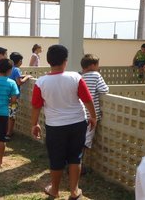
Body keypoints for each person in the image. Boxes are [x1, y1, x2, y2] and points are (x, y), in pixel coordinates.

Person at [31, 44, 97, 199]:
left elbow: (36, 106)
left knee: (56, 158)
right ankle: (74, 191)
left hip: (55, 126)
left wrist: (34, 124)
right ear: (65, 60)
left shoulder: (41, 82)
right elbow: (87, 100)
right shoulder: (75, 77)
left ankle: (54, 190)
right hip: (77, 123)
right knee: (75, 156)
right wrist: (93, 116)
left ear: (48, 61)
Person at [80, 54, 109, 174]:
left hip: (80, 114)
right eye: (97, 64)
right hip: (92, 115)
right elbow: (104, 89)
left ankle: (73, 164)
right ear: (92, 65)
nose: (98, 67)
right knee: (85, 142)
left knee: (78, 140)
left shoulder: (79, 76)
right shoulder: (96, 75)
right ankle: (78, 166)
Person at [7, 52, 32, 139]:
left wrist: (22, 76)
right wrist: (27, 77)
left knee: (6, 114)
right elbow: (19, 82)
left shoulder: (9, 68)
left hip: (6, 95)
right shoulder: (16, 69)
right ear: (19, 61)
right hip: (13, 97)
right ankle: (9, 132)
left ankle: (5, 130)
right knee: (12, 114)